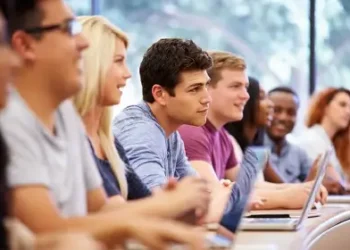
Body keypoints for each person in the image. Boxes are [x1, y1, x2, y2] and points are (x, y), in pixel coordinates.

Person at [0, 1, 206, 249]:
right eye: (68, 28)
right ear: (24, 44)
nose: (83, 43)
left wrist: (166, 214)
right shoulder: (11, 120)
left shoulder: (65, 113)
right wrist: (159, 208)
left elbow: (101, 208)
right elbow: (46, 229)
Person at [73, 15, 211, 223]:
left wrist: (186, 200)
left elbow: (139, 205)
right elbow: (138, 212)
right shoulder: (140, 131)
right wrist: (178, 202)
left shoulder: (108, 141)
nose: (128, 74)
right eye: (119, 61)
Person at [112, 38, 235, 225]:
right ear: (160, 94)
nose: (207, 98)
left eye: (205, 86)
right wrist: (223, 197)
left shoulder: (171, 131)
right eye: (195, 89)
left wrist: (218, 195)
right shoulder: (142, 132)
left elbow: (200, 191)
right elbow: (158, 210)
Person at [222, 71, 327, 209]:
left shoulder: (256, 147)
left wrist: (304, 189)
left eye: (291, 112)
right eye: (262, 98)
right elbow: (242, 192)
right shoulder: (230, 142)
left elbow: (256, 187)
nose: (270, 105)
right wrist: (294, 193)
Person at [296, 87, 350, 194]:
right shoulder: (311, 139)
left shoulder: (334, 144)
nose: (348, 111)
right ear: (325, 106)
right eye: (342, 105)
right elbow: (337, 184)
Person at [264, 86, 314, 183]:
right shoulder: (251, 149)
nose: (283, 118)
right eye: (276, 110)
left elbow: (313, 185)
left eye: (291, 113)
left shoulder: (299, 154)